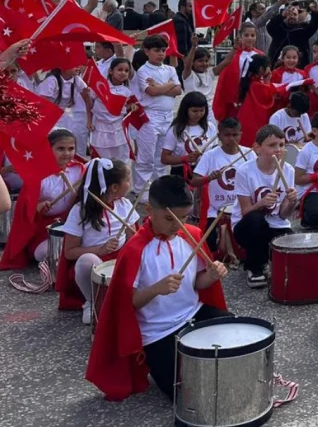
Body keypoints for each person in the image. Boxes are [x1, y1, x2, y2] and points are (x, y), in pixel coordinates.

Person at [85, 175, 229, 400]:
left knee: (240, 339)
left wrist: (211, 276)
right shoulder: (135, 250)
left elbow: (197, 284)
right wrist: (156, 289)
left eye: (184, 217)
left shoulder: (193, 235)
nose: (177, 225)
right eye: (169, 218)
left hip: (194, 313)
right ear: (149, 210)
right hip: (157, 332)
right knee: (185, 391)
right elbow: (127, 303)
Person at [62, 159, 138, 322]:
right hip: (95, 260)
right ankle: (92, 301)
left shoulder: (125, 204)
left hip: (120, 257)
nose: (130, 183)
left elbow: (133, 239)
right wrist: (100, 250)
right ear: (114, 187)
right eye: (128, 179)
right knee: (86, 261)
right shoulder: (80, 211)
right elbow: (69, 252)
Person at [0, 129, 86, 270]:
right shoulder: (37, 173)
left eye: (71, 149)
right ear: (48, 150)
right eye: (60, 149)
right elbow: (26, 205)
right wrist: (38, 206)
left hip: (71, 222)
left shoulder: (79, 169)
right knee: (43, 253)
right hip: (43, 227)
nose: (66, 153)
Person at [231, 125, 297, 287]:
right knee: (256, 220)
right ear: (257, 148)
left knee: (295, 250)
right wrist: (260, 204)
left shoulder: (288, 170)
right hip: (247, 225)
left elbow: (283, 215)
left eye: (281, 145)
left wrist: (292, 202)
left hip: (276, 224)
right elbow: (245, 211)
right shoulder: (244, 171)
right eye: (272, 145)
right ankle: (254, 268)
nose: (278, 150)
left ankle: (266, 258)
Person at [192, 118, 251, 259]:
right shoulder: (210, 156)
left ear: (241, 134)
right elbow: (194, 181)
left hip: (242, 208)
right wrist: (208, 178)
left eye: (235, 135)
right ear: (219, 136)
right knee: (210, 245)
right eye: (227, 135)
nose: (231, 139)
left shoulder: (249, 154)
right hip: (215, 210)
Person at [132, 35, 183, 203]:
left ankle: (158, 186)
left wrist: (160, 86)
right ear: (147, 51)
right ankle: (141, 189)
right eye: (156, 50)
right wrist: (169, 85)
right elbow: (151, 92)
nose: (161, 54)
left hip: (167, 116)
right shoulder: (143, 71)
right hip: (150, 116)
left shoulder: (170, 69)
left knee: (161, 155)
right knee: (146, 155)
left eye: (163, 50)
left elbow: (178, 90)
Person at [38, 66, 93, 156]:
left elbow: (87, 98)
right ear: (63, 67)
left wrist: (89, 120)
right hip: (47, 115)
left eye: (78, 65)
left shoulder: (77, 80)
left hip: (62, 115)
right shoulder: (52, 80)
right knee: (51, 141)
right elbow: (42, 104)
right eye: (74, 66)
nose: (77, 68)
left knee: (69, 138)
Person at [160, 92, 215, 180]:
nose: (198, 114)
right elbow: (164, 158)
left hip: (205, 171)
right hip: (181, 173)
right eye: (194, 111)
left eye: (202, 110)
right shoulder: (176, 130)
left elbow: (215, 149)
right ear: (185, 110)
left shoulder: (210, 127)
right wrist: (185, 158)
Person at [268, 0, 318, 66]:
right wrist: (281, 16)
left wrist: (315, 13)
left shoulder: (302, 30)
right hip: (278, 65)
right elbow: (270, 27)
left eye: (294, 14)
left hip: (299, 66)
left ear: (298, 16)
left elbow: (313, 27)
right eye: (289, 14)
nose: (291, 16)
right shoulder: (278, 28)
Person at [182, 35, 216, 108]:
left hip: (209, 113)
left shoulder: (210, 73)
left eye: (206, 61)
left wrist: (234, 49)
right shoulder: (189, 75)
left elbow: (226, 62)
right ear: (193, 62)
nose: (204, 63)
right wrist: (194, 46)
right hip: (192, 111)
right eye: (200, 61)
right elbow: (187, 64)